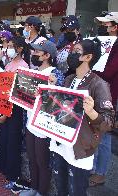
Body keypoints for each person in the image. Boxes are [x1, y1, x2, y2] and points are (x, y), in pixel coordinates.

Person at [51, 38, 115, 196]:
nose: (71, 55)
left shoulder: (98, 84)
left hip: (80, 150)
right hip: (61, 144)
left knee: (76, 191)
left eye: (77, 52)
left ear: (88, 57)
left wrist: (92, 113)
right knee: (60, 188)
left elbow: (109, 123)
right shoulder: (68, 79)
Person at [19, 41, 64, 196]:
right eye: (33, 51)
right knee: (32, 158)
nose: (33, 54)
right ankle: (33, 188)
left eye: (37, 52)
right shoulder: (33, 72)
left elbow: (59, 102)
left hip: (44, 127)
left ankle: (41, 192)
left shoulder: (55, 73)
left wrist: (55, 85)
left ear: (47, 55)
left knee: (42, 162)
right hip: (31, 122)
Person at [89, 11, 118, 187]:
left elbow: (109, 71)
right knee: (94, 131)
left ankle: (100, 173)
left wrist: (90, 67)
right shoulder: (103, 43)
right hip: (97, 91)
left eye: (107, 24)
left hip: (109, 95)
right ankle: (92, 167)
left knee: (104, 136)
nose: (104, 27)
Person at [0, 36, 28, 189]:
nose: (8, 49)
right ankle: (2, 168)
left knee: (12, 142)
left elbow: (18, 94)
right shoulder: (9, 64)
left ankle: (12, 175)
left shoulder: (23, 66)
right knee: (3, 140)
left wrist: (6, 113)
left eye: (11, 46)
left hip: (14, 110)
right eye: (7, 46)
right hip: (3, 107)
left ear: (20, 48)